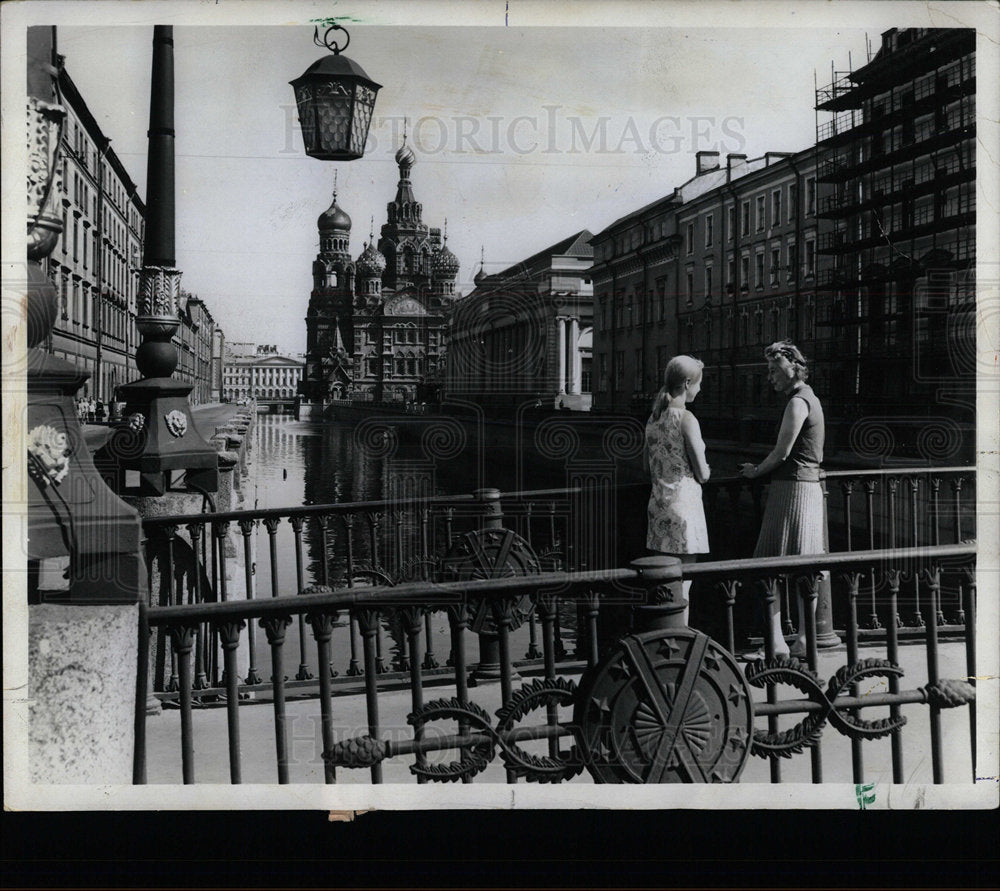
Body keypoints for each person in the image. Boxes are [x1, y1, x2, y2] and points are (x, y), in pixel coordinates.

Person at [739, 341, 826, 659]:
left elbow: (783, 451)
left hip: (791, 491)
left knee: (768, 567)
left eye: (774, 370)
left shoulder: (796, 403)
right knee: (807, 568)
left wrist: (754, 472)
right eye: (768, 371)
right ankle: (804, 640)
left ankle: (775, 645)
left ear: (794, 367)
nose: (770, 377)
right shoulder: (810, 398)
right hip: (808, 489)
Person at [644, 355, 711, 622]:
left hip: (658, 506)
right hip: (684, 507)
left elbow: (647, 467)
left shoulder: (654, 418)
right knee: (685, 582)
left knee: (664, 582)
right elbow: (703, 473)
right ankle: (681, 636)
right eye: (698, 384)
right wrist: (705, 468)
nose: (699, 389)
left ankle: (665, 635)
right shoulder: (686, 419)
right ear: (686, 383)